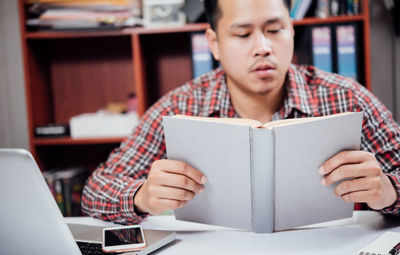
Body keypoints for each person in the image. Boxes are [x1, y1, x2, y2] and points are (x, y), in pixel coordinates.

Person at [82, 0, 400, 224]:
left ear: (292, 30)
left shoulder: (347, 97)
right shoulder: (179, 108)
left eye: (275, 29)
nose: (262, 47)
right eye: (243, 34)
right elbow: (95, 191)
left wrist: (387, 190)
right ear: (214, 43)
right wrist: (143, 196)